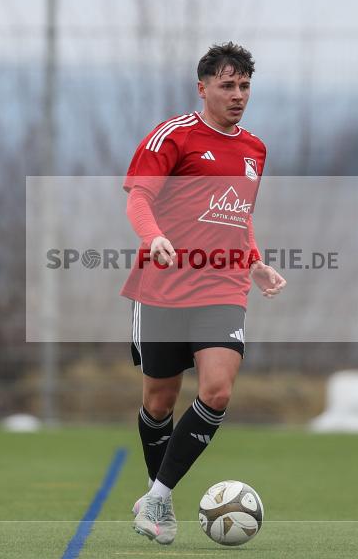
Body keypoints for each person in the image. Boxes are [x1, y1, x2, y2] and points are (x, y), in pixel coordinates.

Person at [121, 42, 286, 545]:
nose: (238, 95)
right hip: (163, 288)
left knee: (217, 391)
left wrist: (254, 262)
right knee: (159, 403)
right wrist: (154, 237)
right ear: (203, 88)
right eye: (227, 85)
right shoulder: (174, 136)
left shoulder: (254, 149)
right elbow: (139, 197)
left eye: (244, 86)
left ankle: (157, 497)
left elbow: (238, 214)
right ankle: (159, 497)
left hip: (222, 287)